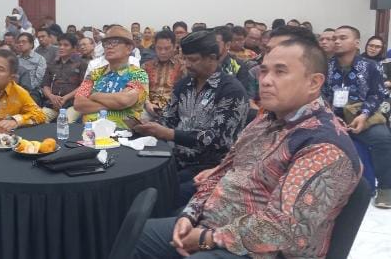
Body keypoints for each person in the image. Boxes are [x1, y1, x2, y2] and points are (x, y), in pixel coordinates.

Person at [133, 37, 361, 259]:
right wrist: (189, 215)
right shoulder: (266, 120)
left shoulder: (323, 145)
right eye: (264, 71)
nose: (266, 80)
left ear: (313, 83)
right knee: (133, 235)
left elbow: (285, 228)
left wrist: (207, 237)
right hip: (214, 223)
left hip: (261, 250)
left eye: (280, 72)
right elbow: (223, 170)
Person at [135, 31, 248, 206]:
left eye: (192, 60)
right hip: (176, 159)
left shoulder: (231, 90)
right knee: (140, 185)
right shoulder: (184, 84)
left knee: (160, 197)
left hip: (211, 167)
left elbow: (218, 140)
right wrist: (148, 126)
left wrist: (170, 134)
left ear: (212, 58)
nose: (186, 64)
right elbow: (168, 118)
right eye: (184, 59)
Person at [323, 25, 391, 208]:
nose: (336, 41)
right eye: (334, 38)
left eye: (342, 38)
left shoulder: (370, 66)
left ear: (356, 42)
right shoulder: (325, 66)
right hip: (331, 115)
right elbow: (320, 95)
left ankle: (386, 188)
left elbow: (377, 94)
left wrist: (364, 115)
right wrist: (330, 116)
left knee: (382, 138)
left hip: (362, 114)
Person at [74, 25, 149, 129]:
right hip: (89, 134)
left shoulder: (138, 74)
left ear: (129, 48)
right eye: (106, 43)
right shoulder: (95, 73)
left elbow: (124, 100)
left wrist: (94, 95)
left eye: (115, 42)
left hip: (121, 135)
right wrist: (115, 106)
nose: (108, 46)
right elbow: (78, 103)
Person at [41, 34, 87, 123]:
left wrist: (65, 98)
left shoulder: (81, 64)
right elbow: (45, 85)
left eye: (66, 45)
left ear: (74, 48)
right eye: (60, 45)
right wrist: (51, 97)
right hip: (53, 103)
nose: (61, 47)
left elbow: (83, 86)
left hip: (72, 104)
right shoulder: (52, 64)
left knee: (65, 122)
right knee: (38, 118)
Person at [142, 30, 186, 118]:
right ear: (154, 47)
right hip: (149, 108)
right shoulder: (146, 66)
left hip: (174, 110)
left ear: (174, 47)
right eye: (159, 48)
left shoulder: (182, 67)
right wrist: (147, 104)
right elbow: (141, 89)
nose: (163, 52)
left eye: (167, 48)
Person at [214, 27, 251, 96]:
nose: (211, 46)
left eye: (216, 43)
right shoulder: (204, 64)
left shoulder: (238, 65)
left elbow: (241, 93)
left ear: (227, 45)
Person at [15, 32, 47, 96]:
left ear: (31, 44)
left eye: (24, 42)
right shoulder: (16, 59)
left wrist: (25, 90)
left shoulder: (40, 59)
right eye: (19, 42)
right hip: (16, 89)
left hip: (33, 91)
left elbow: (39, 81)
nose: (20, 44)